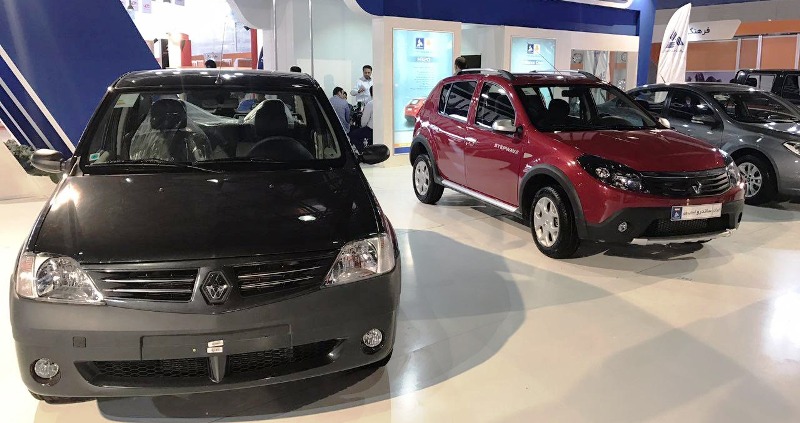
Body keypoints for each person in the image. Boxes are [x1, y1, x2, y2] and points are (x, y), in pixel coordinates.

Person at [349, 86, 373, 152]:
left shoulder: (370, 104)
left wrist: (362, 126)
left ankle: (363, 151)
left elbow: (364, 121)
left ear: (370, 93)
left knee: (353, 135)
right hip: (381, 129)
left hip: (371, 130)